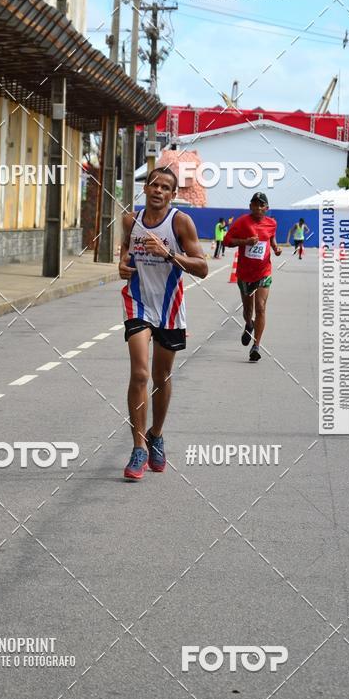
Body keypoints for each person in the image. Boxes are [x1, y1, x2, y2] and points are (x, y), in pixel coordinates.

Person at [119, 167, 208, 480]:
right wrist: (122, 266)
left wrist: (170, 254)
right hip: (138, 303)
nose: (158, 190)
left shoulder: (180, 222)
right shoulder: (131, 221)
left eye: (165, 187)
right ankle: (139, 446)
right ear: (146, 188)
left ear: (172, 194)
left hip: (170, 307)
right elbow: (125, 256)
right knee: (140, 372)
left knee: (161, 376)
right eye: (153, 184)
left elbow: (202, 267)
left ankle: (157, 434)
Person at [224, 192, 282, 362]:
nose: (258, 207)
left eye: (261, 204)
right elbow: (227, 241)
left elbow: (271, 240)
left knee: (261, 307)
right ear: (250, 206)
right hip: (245, 273)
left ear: (267, 208)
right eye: (255, 204)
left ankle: (256, 346)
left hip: (264, 272)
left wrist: (276, 248)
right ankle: (249, 324)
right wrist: (245, 242)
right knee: (248, 310)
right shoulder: (242, 222)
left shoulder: (272, 223)